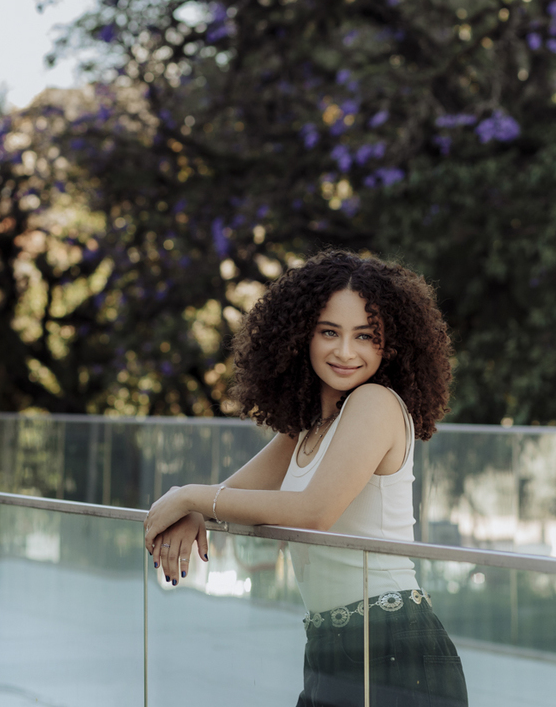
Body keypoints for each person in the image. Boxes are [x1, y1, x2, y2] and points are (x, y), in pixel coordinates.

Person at [143, 249, 468, 707]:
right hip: (329, 644)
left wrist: (189, 497)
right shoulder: (308, 428)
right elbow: (230, 497)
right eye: (329, 332)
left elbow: (315, 511)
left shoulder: (375, 402)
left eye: (365, 335)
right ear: (301, 336)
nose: (345, 351)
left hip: (393, 643)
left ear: (390, 343)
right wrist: (195, 508)